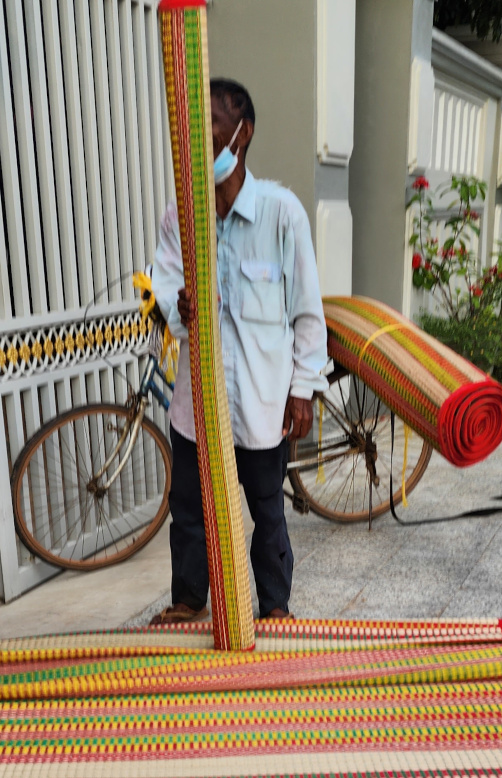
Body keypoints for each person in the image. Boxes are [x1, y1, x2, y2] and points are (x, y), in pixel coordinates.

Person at [148, 78, 328, 624]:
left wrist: (302, 391)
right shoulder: (182, 219)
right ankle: (187, 600)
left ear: (242, 133)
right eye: (192, 137)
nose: (200, 147)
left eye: (212, 132)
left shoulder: (281, 212)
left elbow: (306, 312)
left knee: (266, 511)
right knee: (189, 510)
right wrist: (175, 309)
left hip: (261, 400)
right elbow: (163, 293)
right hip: (196, 402)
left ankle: (274, 607)